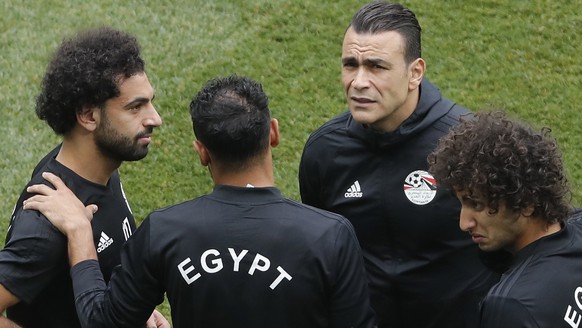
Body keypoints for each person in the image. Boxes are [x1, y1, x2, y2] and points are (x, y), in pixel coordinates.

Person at [23, 75, 377, 328]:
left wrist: (81, 233)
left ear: (202, 153)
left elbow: (102, 322)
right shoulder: (331, 235)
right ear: (273, 133)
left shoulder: (165, 231)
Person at [298, 2, 499, 327]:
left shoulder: (470, 145)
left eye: (376, 67)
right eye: (351, 65)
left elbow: (517, 242)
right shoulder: (325, 152)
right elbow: (323, 251)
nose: (359, 82)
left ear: (415, 72)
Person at [0, 27, 167, 328]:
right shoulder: (45, 227)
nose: (155, 118)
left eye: (149, 102)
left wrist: (131, 311)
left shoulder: (101, 168)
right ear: (89, 116)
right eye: (135, 107)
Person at [427, 110, 582, 328]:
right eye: (461, 203)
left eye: (477, 204)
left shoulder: (512, 305)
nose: (464, 223)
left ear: (527, 202)